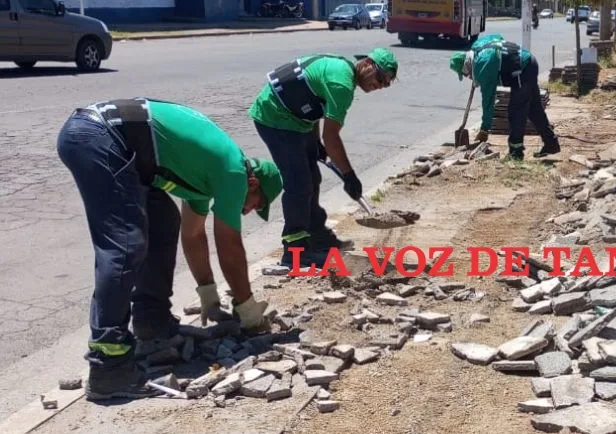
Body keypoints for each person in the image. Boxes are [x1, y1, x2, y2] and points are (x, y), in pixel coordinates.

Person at [56, 98, 284, 401]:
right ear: (253, 183)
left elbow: (192, 234)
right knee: (125, 243)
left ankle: (152, 323)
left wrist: (208, 294)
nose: (249, 211)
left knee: (163, 222)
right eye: (256, 205)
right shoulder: (233, 172)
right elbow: (229, 245)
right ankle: (108, 365)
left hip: (113, 142)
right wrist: (247, 309)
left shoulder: (208, 176)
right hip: (98, 136)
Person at [249, 47, 399, 268]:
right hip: (275, 117)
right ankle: (295, 253)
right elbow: (333, 136)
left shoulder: (341, 71)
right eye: (379, 78)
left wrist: (315, 140)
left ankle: (316, 236)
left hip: (296, 119)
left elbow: (314, 102)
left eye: (385, 84)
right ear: (367, 63)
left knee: (313, 178)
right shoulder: (342, 84)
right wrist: (349, 175)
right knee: (299, 184)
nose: (379, 86)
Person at [449, 34, 560, 160]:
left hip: (521, 70)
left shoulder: (482, 67)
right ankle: (551, 144)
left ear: (467, 66)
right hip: (529, 61)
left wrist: (485, 129)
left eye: (465, 74)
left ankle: (515, 153)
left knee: (516, 111)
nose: (467, 77)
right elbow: (497, 36)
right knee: (534, 110)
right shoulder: (478, 46)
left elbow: (488, 101)